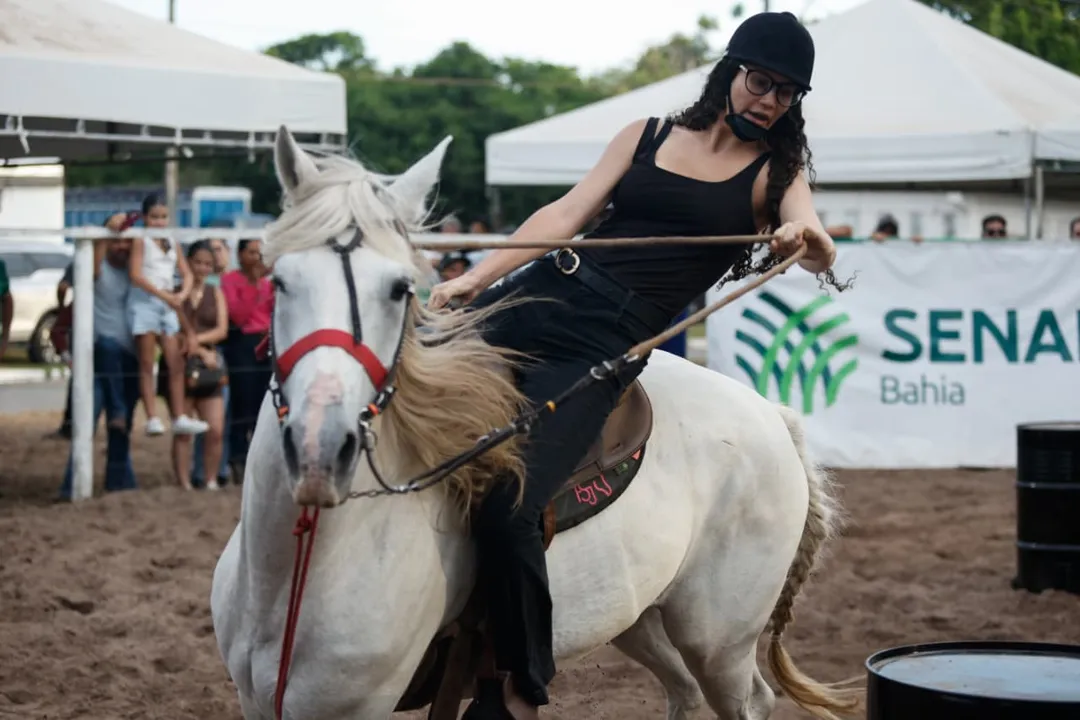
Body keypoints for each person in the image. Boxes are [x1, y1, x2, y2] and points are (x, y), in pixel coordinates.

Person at [427, 11, 848, 719]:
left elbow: (817, 241)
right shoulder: (647, 135)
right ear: (731, 73)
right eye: (761, 81)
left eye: (787, 93)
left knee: (512, 506)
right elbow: (565, 214)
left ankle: (518, 686)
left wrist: (804, 235)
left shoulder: (778, 172)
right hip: (533, 295)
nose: (770, 100)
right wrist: (474, 279)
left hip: (605, 344)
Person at [58, 213, 143, 499]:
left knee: (123, 428)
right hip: (98, 361)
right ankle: (73, 483)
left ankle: (118, 482)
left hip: (129, 359)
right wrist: (106, 235)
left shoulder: (138, 271)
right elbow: (89, 272)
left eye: (126, 243)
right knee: (87, 424)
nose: (121, 247)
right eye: (116, 243)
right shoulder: (94, 266)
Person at [127, 193, 209, 436]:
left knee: (175, 362)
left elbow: (186, 273)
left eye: (163, 217)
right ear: (145, 218)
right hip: (145, 303)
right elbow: (136, 275)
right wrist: (166, 296)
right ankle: (152, 416)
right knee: (146, 362)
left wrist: (181, 294)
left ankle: (178, 415)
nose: (159, 222)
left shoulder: (171, 241)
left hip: (168, 304)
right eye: (154, 217)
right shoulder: (141, 240)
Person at [160, 241, 230, 490]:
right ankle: (184, 481)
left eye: (207, 264)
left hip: (207, 366)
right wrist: (198, 347)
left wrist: (195, 341)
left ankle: (210, 478)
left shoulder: (216, 293)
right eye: (198, 262)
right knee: (183, 429)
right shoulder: (175, 291)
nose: (202, 268)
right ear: (188, 263)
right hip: (180, 363)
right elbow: (169, 329)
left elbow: (222, 329)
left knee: (216, 429)